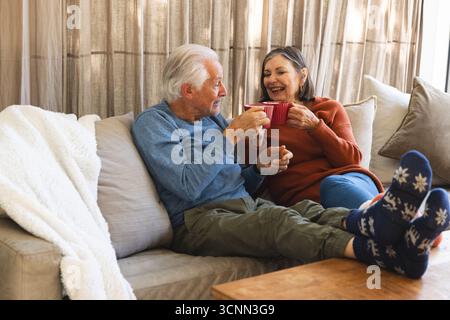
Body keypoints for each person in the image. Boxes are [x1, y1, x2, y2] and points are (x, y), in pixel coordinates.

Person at [131, 43, 449, 279]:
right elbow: (188, 186)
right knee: (280, 222)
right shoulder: (154, 124)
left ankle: (391, 233)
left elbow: (240, 181)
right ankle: (381, 249)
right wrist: (229, 136)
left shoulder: (212, 120)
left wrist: (260, 168)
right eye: (216, 83)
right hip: (198, 222)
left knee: (306, 211)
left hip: (243, 206)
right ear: (188, 89)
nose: (224, 91)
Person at [259, 46, 383, 209]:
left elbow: (352, 160)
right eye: (267, 74)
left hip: (351, 181)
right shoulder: (258, 118)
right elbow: (243, 172)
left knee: (332, 184)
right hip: (305, 199)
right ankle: (391, 217)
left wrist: (316, 127)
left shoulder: (329, 107)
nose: (271, 80)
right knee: (331, 187)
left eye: (280, 72)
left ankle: (384, 215)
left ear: (302, 76)